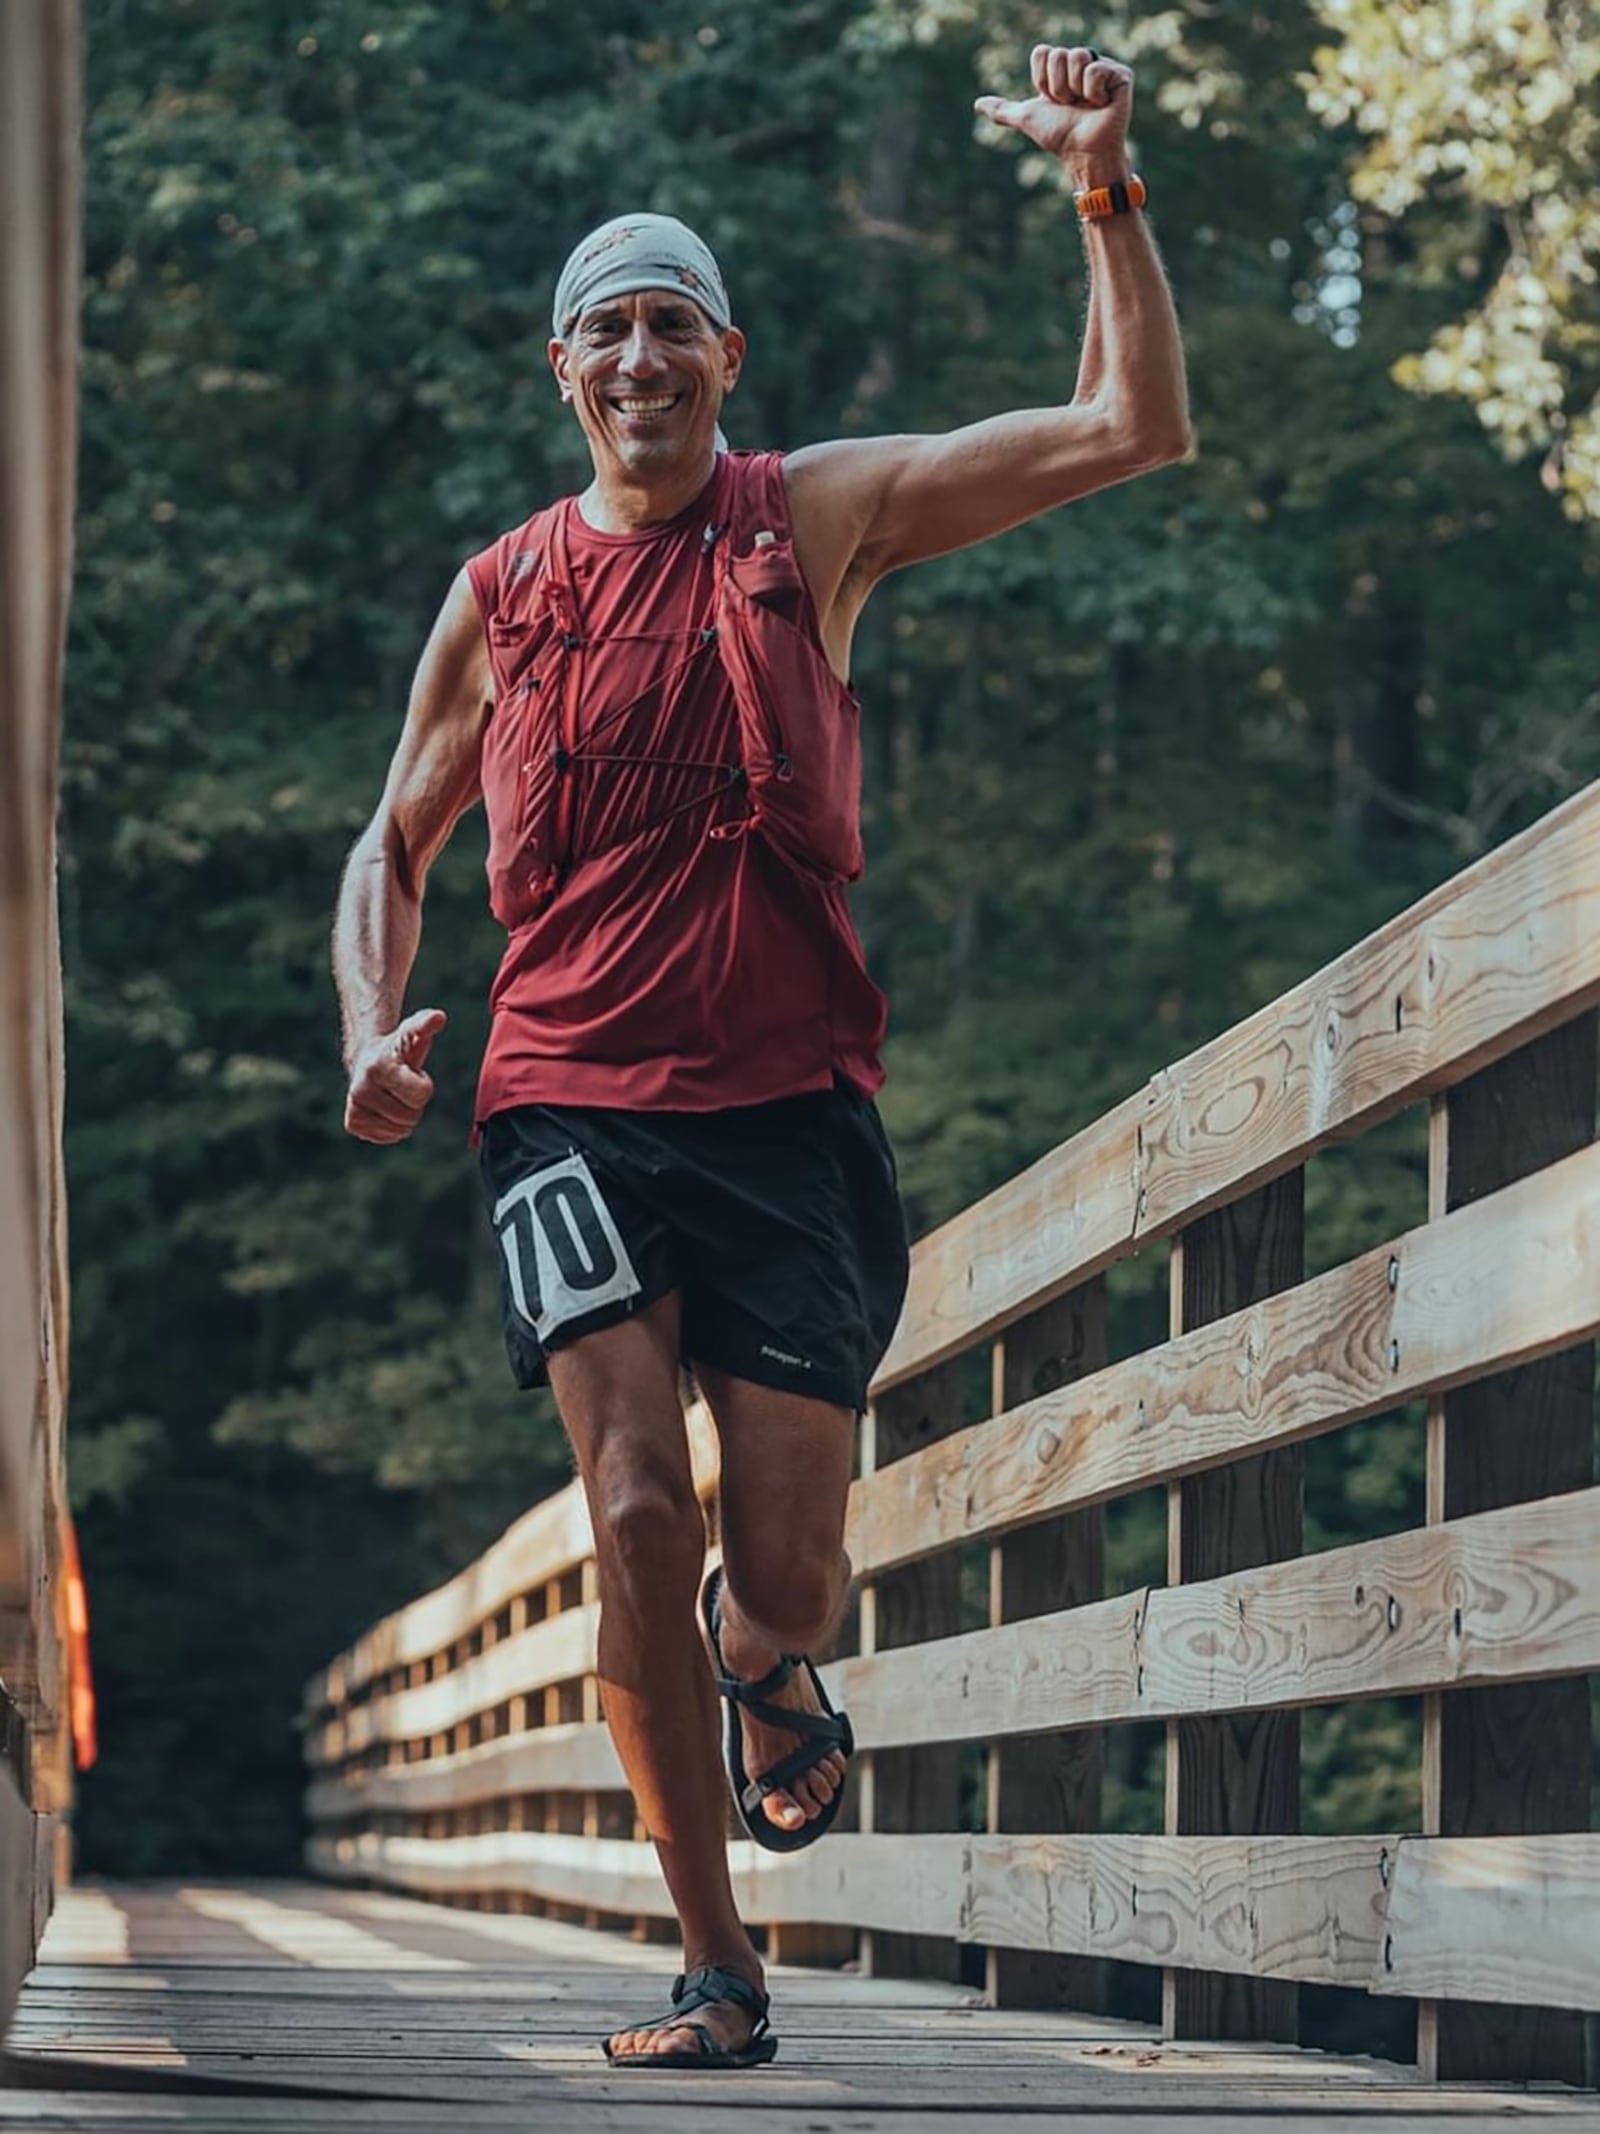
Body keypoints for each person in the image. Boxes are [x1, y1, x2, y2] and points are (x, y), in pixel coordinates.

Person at [333, 42, 1189, 2070]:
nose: (637, 354)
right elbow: (394, 837)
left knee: (778, 1557)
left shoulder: (809, 522)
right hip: (557, 1093)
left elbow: (1126, 427)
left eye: (669, 322)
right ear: (561, 371)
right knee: (632, 1498)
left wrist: (1101, 189)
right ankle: (715, 1961)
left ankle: (759, 1652)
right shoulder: (506, 596)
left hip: (790, 1113)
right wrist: (372, 1027)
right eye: (601, 328)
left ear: (723, 353)